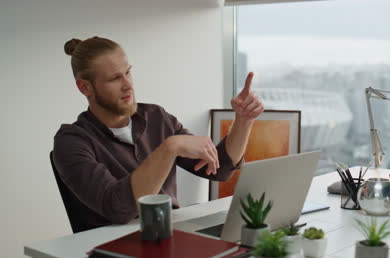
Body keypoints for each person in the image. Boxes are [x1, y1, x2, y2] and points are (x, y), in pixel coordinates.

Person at [53, 36, 264, 231]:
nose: (128, 85)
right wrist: (169, 148)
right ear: (85, 88)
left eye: (128, 72)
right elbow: (117, 208)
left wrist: (243, 121)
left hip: (170, 235)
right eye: (115, 78)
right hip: (115, 247)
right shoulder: (71, 142)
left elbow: (220, 169)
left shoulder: (156, 117)